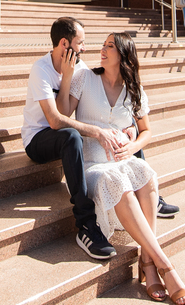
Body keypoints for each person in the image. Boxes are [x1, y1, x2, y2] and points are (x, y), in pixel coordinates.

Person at [57, 32, 185, 304]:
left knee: (146, 175)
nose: (103, 49)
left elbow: (146, 131)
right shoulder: (85, 78)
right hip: (94, 166)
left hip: (123, 160)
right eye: (103, 44)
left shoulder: (134, 89)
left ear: (123, 55)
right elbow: (62, 113)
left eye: (110, 46)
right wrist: (67, 76)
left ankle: (148, 261)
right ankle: (163, 265)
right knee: (119, 183)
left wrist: (133, 148)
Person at [21, 17, 123, 261]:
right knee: (72, 136)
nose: (84, 48)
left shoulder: (79, 66)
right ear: (64, 44)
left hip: (65, 135)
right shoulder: (41, 70)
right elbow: (55, 120)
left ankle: (149, 192)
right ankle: (86, 223)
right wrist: (95, 131)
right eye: (80, 43)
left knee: (119, 126)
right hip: (38, 139)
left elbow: (97, 93)